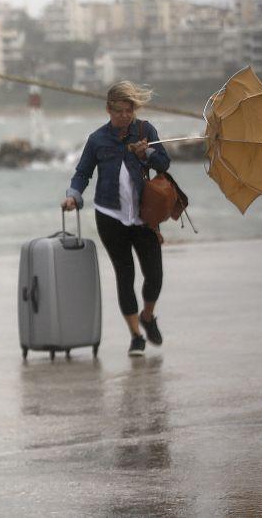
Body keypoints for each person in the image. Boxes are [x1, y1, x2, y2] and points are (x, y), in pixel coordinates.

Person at [62, 81, 171, 356]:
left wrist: (145, 152)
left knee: (154, 275)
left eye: (129, 110)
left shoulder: (146, 131)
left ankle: (148, 315)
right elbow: (83, 172)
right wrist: (74, 195)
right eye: (119, 111)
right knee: (125, 275)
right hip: (110, 216)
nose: (124, 116)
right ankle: (135, 335)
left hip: (144, 216)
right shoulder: (98, 139)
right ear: (108, 110)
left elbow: (164, 164)